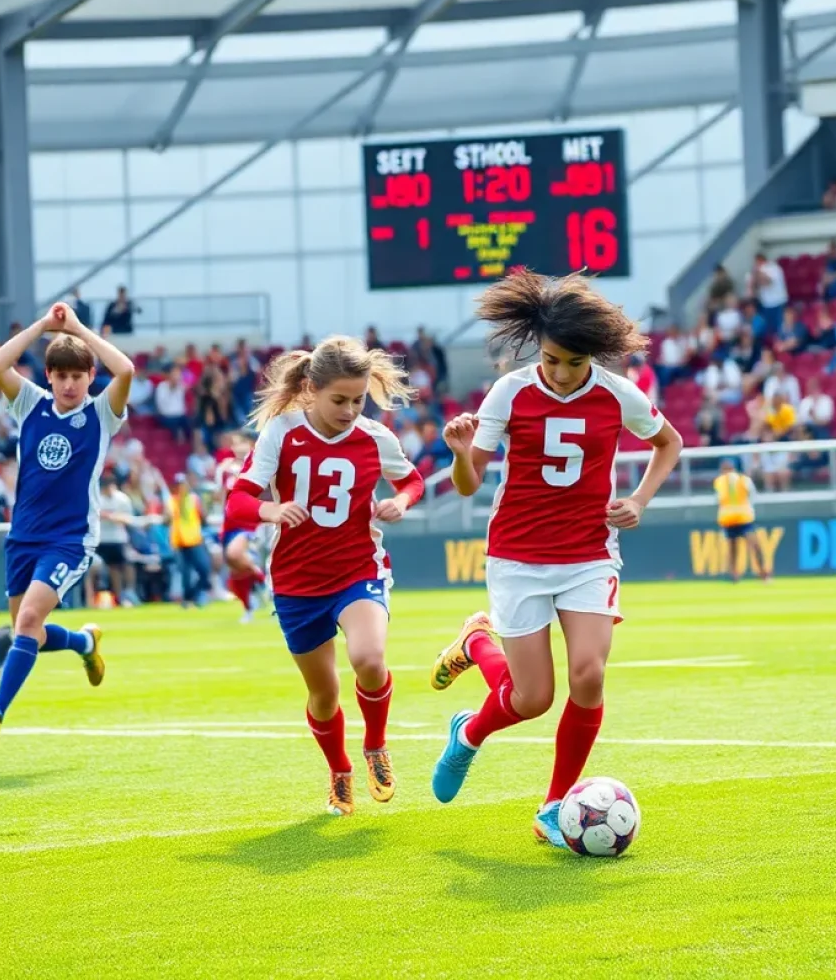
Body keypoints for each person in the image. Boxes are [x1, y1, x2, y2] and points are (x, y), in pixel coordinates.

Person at [426, 270, 682, 846]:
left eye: (573, 362)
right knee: (532, 698)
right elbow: (468, 486)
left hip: (590, 555)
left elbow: (670, 443)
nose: (561, 373)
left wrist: (639, 499)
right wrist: (464, 455)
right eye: (551, 359)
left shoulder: (618, 394)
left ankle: (553, 806)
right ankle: (470, 717)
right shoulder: (510, 391)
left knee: (588, 675)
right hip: (518, 555)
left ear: (594, 355)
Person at [225, 337, 424, 817]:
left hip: (359, 569)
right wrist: (271, 508)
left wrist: (400, 501)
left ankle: (375, 745)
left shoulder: (376, 437)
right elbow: (238, 501)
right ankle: (339, 770)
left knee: (369, 658)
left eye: (358, 400)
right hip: (296, 582)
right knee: (324, 693)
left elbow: (412, 480)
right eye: (340, 400)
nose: (351, 409)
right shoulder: (281, 432)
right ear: (311, 390)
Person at [0, 302, 133, 745]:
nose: (70, 383)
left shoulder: (101, 414)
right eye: (62, 375)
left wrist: (76, 328)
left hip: (69, 539)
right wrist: (42, 327)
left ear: (90, 377)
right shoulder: (30, 403)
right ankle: (84, 644)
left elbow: (125, 369)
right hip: (23, 537)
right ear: (49, 376)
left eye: (78, 375)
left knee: (30, 617)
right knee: (26, 630)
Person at [217, 432, 267, 624]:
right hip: (230, 522)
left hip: (250, 522)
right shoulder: (225, 469)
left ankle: (264, 583)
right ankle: (249, 607)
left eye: (242, 444)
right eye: (236, 444)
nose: (238, 448)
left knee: (234, 554)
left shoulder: (258, 465)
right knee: (236, 570)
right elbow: (221, 496)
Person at [714, 460, 769, 583]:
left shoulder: (740, 480)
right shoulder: (722, 481)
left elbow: (719, 500)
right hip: (731, 518)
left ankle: (762, 573)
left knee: (753, 546)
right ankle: (734, 575)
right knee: (734, 548)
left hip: (742, 518)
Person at [167, 474, 212, 608]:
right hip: (180, 540)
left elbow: (203, 517)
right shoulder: (172, 501)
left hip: (194, 539)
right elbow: (167, 517)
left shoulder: (193, 499)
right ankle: (188, 598)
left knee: (204, 568)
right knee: (185, 573)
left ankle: (196, 593)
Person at [97, 473, 138, 607]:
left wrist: (111, 516)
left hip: (119, 538)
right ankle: (119, 596)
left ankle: (130, 591)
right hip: (103, 539)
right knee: (112, 568)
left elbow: (128, 519)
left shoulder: (122, 499)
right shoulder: (98, 499)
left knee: (127, 564)